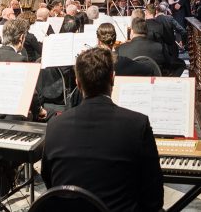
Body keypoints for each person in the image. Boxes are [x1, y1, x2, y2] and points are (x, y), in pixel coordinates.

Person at [41, 47, 163, 212]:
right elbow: (154, 197)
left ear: (78, 82)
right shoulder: (137, 124)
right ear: (113, 79)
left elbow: (51, 183)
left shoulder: (55, 125)